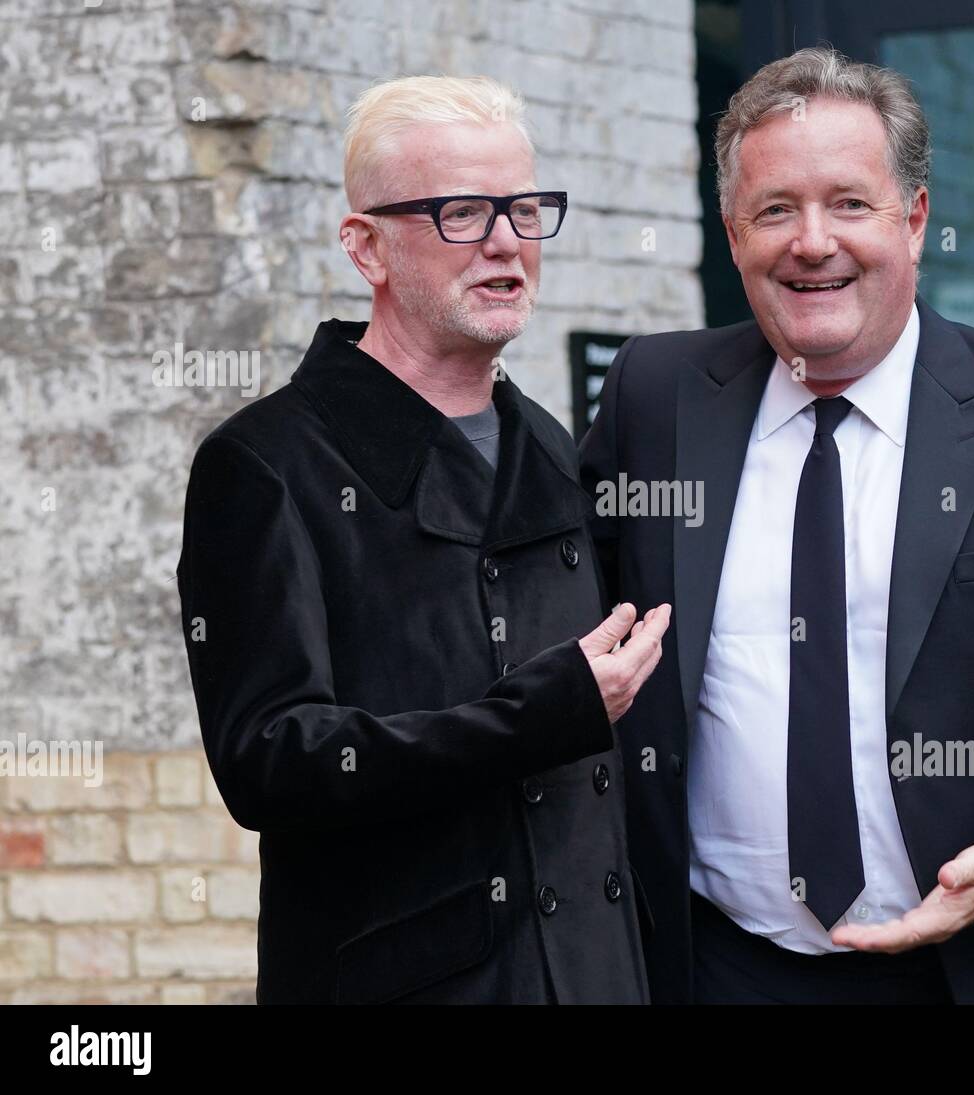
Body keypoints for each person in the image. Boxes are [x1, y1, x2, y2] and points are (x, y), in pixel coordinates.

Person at [579, 47, 974, 1004]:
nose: (811, 241)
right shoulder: (653, 396)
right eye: (774, 208)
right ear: (733, 233)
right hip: (717, 968)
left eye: (849, 204)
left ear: (914, 219)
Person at [178, 74, 669, 1004]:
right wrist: (538, 715)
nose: (505, 243)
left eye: (524, 210)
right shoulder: (266, 464)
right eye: (460, 213)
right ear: (366, 246)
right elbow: (270, 761)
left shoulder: (551, 446)